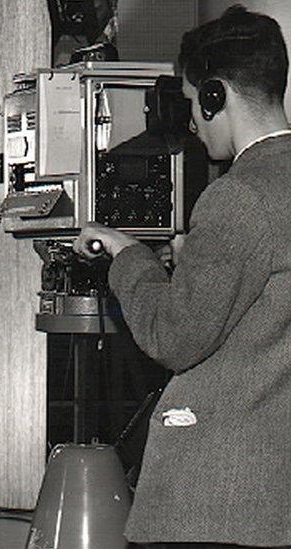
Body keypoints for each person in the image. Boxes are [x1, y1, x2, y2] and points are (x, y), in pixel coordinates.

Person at [74, 6, 291, 548]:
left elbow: (173, 336)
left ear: (215, 96)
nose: (192, 121)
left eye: (195, 103)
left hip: (219, 499)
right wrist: (197, 259)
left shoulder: (238, 196)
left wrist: (127, 255)